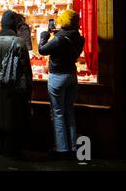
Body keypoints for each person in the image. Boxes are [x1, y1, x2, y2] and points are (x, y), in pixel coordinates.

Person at [38, 9, 85, 159]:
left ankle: (61, 149)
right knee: (69, 111)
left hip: (58, 77)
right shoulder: (78, 37)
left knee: (58, 113)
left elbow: (42, 50)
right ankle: (72, 147)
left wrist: (44, 36)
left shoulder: (59, 39)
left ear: (63, 22)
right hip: (72, 75)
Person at [0, 10, 33, 158]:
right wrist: (29, 89)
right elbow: (26, 70)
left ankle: (0, 147)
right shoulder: (19, 43)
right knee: (14, 117)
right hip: (14, 88)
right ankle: (13, 150)